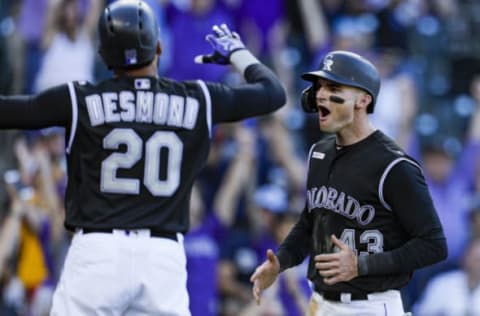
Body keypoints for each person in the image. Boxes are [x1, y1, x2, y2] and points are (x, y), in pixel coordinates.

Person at [0, 0, 286, 314]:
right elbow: (273, 93)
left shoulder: (79, 99)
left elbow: (11, 110)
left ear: (103, 54)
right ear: (158, 47)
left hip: (98, 253)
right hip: (161, 258)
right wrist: (236, 53)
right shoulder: (197, 98)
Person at [250, 50, 447, 316]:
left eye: (333, 87)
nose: (320, 94)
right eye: (319, 86)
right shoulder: (319, 153)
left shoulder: (394, 166)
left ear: (363, 100)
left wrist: (362, 265)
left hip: (370, 306)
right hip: (320, 303)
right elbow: (311, 222)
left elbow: (433, 245)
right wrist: (281, 261)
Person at [413, 237, 480, 316]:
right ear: (465, 258)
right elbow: (422, 312)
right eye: (476, 259)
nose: (478, 265)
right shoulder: (441, 283)